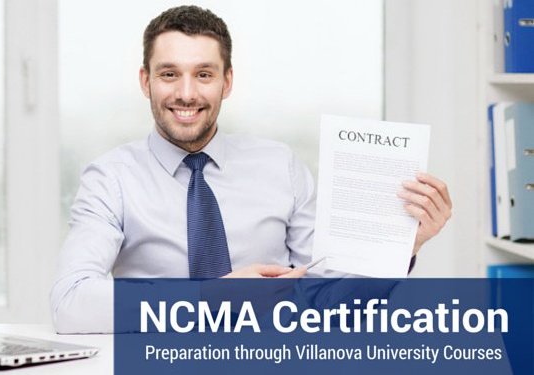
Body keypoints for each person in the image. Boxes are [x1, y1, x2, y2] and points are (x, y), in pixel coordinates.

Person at [50, 5, 452, 333]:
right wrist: (211, 298)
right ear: (146, 81)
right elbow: (71, 303)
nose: (186, 93)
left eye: (203, 74)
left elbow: (328, 301)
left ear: (227, 82)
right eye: (169, 74)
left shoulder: (281, 166)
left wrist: (401, 247)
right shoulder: (110, 179)